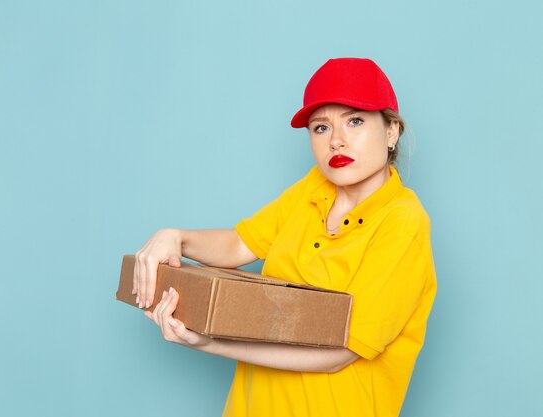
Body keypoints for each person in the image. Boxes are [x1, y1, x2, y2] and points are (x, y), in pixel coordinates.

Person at [132, 58, 437, 417]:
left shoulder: (403, 223)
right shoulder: (313, 189)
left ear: (391, 132)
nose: (336, 141)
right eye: (320, 127)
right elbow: (240, 243)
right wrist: (175, 238)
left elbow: (340, 354)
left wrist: (211, 342)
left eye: (355, 121)